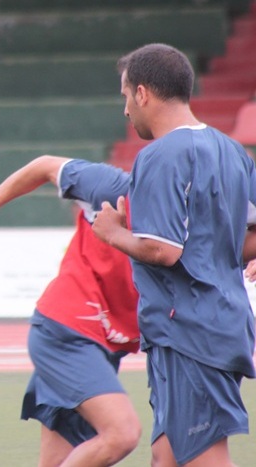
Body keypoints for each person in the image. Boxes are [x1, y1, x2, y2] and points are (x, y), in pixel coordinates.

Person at [93, 43, 256, 466]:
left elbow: (161, 249)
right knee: (167, 458)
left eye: (126, 96)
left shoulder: (161, 156)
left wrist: (112, 232)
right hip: (216, 323)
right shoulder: (231, 151)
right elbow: (246, 240)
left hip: (189, 330)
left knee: (203, 458)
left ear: (143, 93)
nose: (126, 110)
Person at [0, 155, 141, 466]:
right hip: (68, 332)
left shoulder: (196, 219)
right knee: (122, 433)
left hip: (106, 346)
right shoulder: (115, 187)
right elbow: (45, 166)